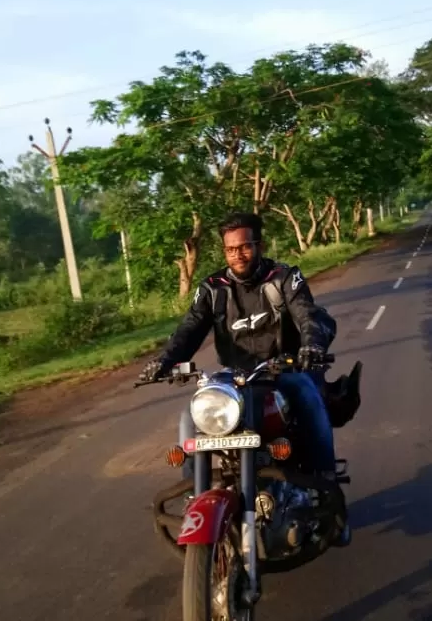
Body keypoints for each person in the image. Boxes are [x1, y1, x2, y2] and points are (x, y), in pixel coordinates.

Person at [139, 212, 345, 529]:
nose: (238, 254)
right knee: (190, 414)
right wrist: (164, 362)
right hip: (236, 377)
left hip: (283, 367)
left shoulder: (285, 277)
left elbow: (307, 316)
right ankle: (196, 494)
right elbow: (189, 330)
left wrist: (311, 346)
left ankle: (327, 486)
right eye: (230, 249)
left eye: (245, 246)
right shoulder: (212, 288)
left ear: (258, 245)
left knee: (305, 393)